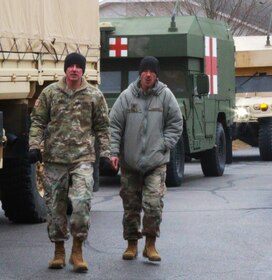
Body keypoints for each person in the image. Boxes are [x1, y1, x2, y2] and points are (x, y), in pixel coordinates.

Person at [29, 52, 111, 272]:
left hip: (82, 159)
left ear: (83, 70)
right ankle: (58, 250)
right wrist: (34, 146)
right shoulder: (50, 93)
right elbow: (37, 121)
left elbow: (103, 128)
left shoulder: (94, 95)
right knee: (55, 207)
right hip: (54, 160)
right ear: (65, 69)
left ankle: (77, 250)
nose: (74, 69)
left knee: (82, 202)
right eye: (70, 66)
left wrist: (105, 154)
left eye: (78, 66)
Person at [109, 56, 182, 262]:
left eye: (152, 71)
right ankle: (131, 244)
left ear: (156, 75)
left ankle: (150, 245)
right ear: (140, 74)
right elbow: (114, 125)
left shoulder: (165, 96)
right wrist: (114, 152)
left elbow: (176, 123)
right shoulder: (127, 96)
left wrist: (164, 145)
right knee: (131, 206)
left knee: (153, 204)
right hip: (130, 163)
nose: (148, 75)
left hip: (155, 162)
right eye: (144, 71)